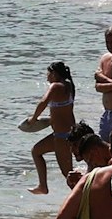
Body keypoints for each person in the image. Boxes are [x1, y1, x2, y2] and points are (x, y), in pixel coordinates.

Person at [27, 62, 78, 195]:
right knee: (36, 151)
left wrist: (33, 119)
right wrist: (50, 120)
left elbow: (43, 102)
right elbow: (62, 111)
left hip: (62, 137)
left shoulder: (55, 86)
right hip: (69, 133)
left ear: (54, 74)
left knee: (68, 175)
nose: (47, 77)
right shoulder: (68, 85)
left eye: (48, 74)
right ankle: (42, 186)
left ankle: (84, 198)